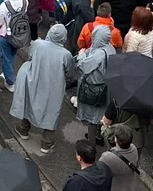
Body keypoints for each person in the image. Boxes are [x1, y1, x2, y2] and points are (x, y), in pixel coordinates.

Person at [10, 24, 77, 155]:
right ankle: (46, 143)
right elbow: (70, 74)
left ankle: (24, 129)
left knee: (30, 101)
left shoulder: (38, 44)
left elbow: (30, 55)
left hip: (35, 78)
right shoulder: (66, 54)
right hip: (54, 86)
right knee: (52, 110)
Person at [76, 26, 115, 145]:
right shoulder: (110, 48)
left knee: (92, 116)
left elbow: (85, 66)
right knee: (101, 113)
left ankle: (90, 143)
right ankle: (99, 135)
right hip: (106, 87)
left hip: (94, 87)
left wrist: (81, 55)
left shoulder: (99, 53)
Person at [99, 124, 140, 191]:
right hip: (131, 187)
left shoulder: (107, 157)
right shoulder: (134, 149)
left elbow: (98, 173)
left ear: (115, 139)